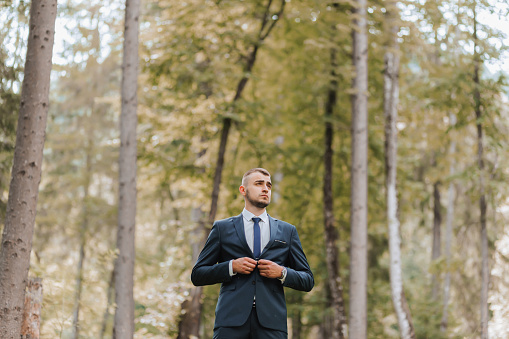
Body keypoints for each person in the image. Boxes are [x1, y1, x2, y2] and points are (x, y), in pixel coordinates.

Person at [191, 168, 314, 339]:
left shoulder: (288, 231)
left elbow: (307, 280)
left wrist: (281, 272)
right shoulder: (222, 228)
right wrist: (231, 267)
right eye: (259, 184)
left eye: (269, 185)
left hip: (272, 324)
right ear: (243, 190)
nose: (265, 189)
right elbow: (198, 275)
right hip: (230, 322)